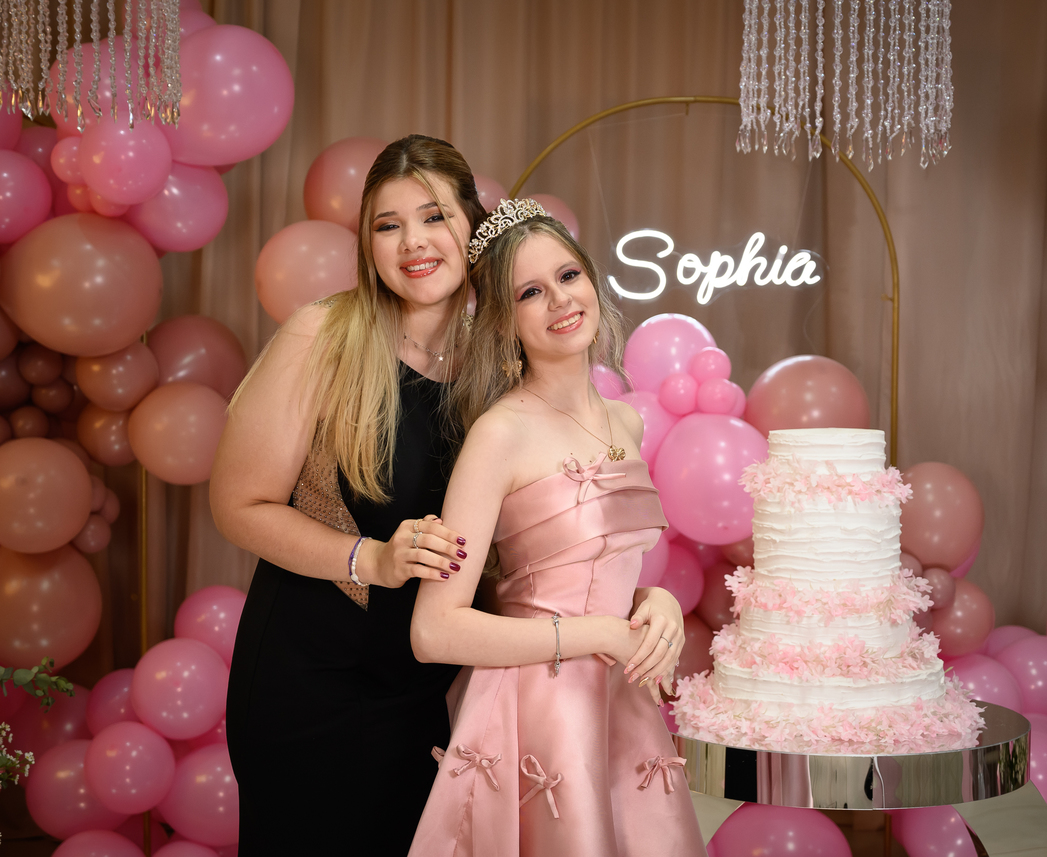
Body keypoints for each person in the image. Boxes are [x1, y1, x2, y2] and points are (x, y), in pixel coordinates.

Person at [210, 137, 685, 855]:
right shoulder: (323, 335)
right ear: (367, 243)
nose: (413, 243)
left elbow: (533, 544)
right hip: (313, 676)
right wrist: (371, 559)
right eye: (388, 224)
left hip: (435, 686)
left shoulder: (497, 368)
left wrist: (641, 597)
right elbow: (238, 505)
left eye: (433, 217)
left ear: (472, 226)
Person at [408, 199, 706, 856]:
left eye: (568, 276)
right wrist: (601, 634)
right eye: (530, 292)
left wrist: (653, 599)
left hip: (619, 699)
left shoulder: (625, 422)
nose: (560, 300)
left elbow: (589, 569)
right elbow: (433, 630)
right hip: (535, 709)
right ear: (504, 321)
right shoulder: (500, 435)